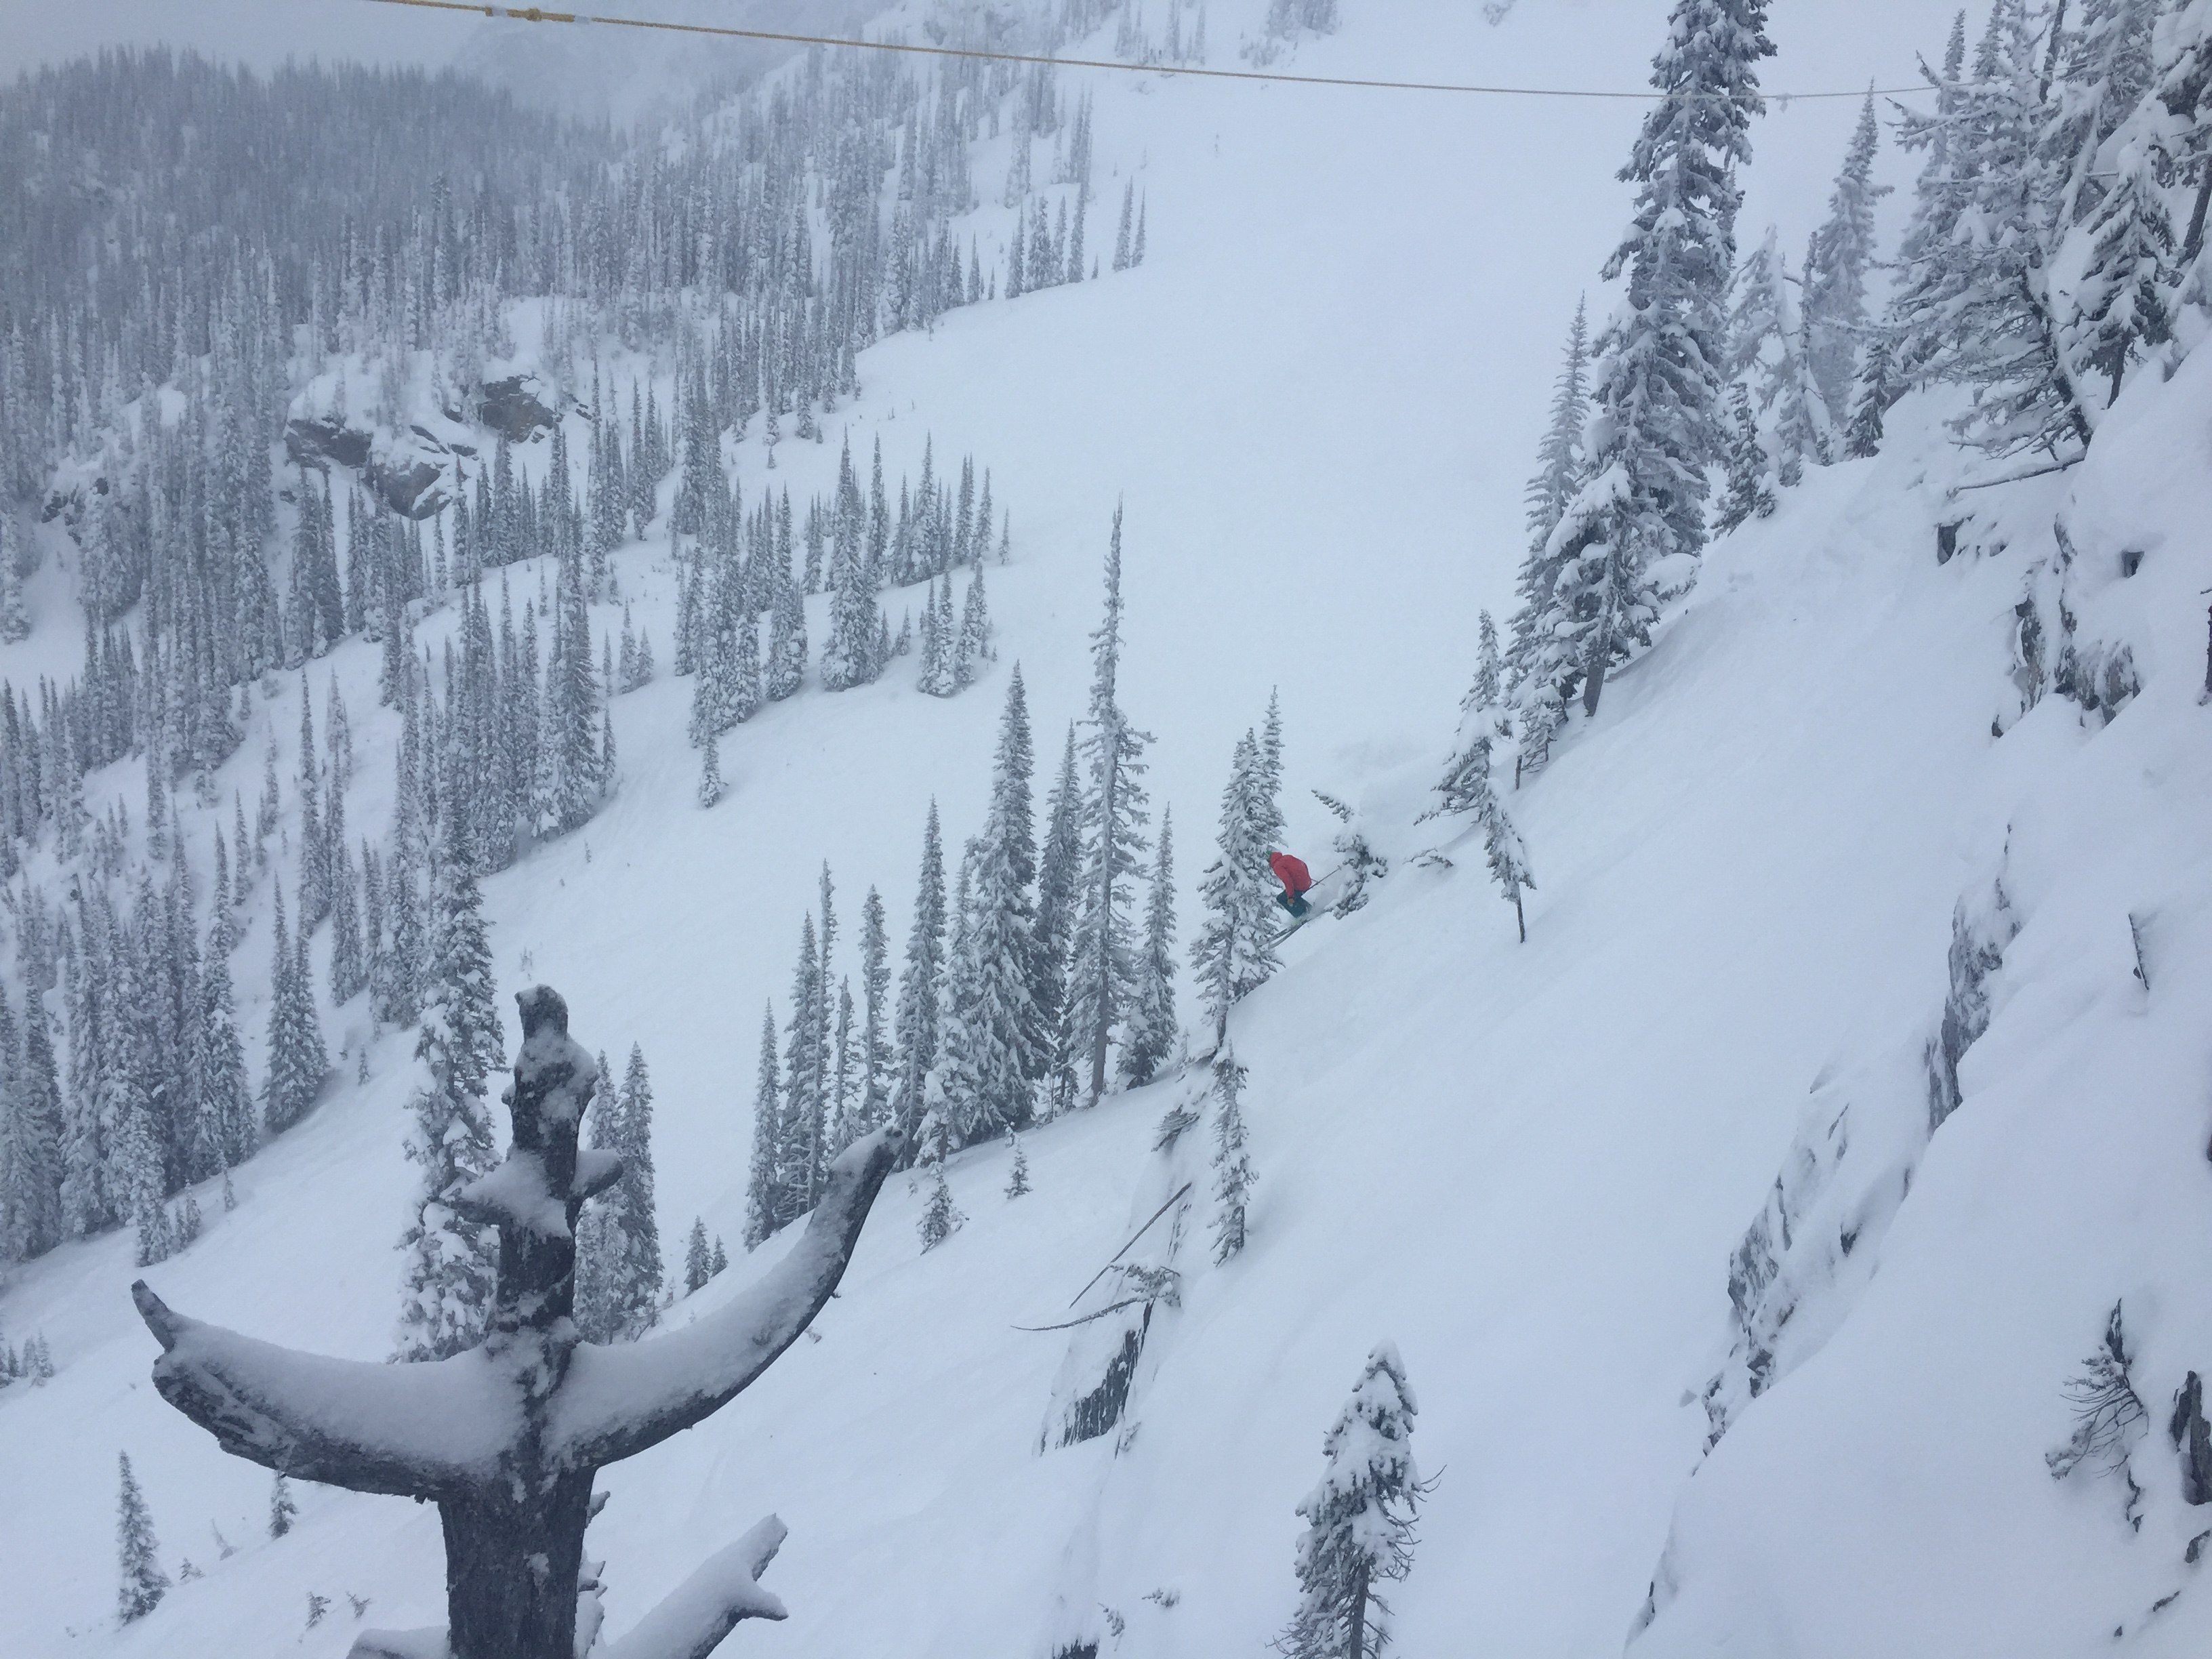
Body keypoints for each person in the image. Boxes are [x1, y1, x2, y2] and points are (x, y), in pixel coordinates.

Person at [1268, 849, 1313, 918]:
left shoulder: (1277, 866)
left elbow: (1287, 881)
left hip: (1300, 886)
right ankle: (1309, 909)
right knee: (1294, 896)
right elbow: (1303, 864)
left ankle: (1302, 915)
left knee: (1282, 898)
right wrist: (1305, 876)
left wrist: (1290, 897)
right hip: (1307, 881)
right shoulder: (1287, 857)